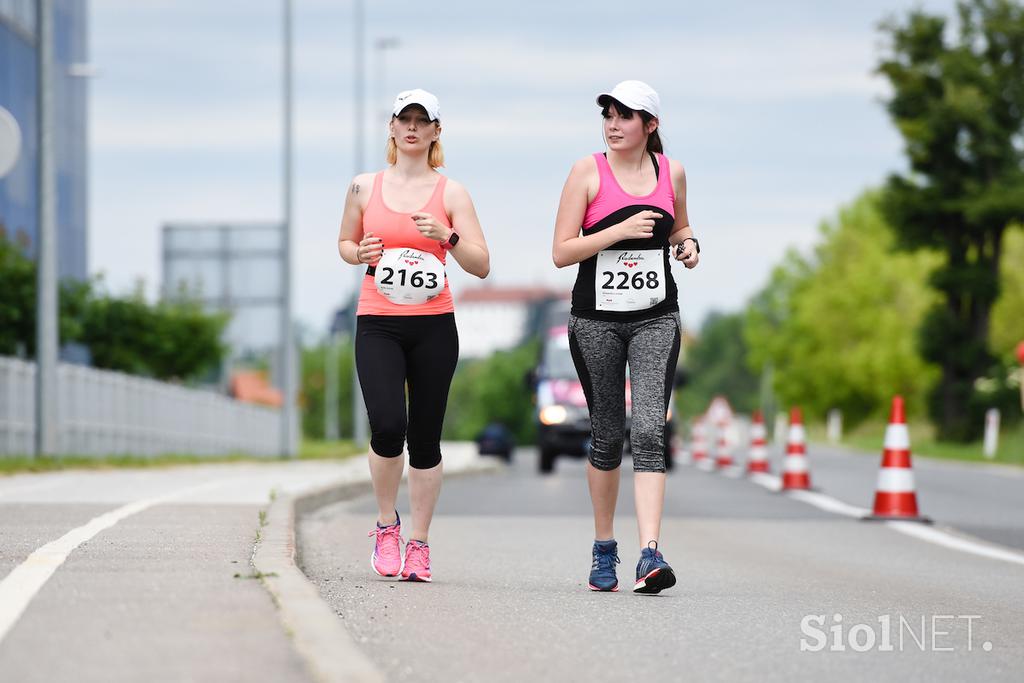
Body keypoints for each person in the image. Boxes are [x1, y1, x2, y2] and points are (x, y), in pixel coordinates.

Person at [551, 80, 699, 594]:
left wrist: (689, 244)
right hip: (596, 319)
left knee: (652, 431)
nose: (613, 125)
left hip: (657, 315)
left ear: (650, 126)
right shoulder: (586, 171)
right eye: (608, 115)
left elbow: (678, 228)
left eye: (625, 116)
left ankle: (650, 553)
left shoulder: (671, 172)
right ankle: (604, 546)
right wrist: (617, 231)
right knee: (609, 434)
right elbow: (562, 251)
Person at [337, 89, 490, 582]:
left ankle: (419, 544)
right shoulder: (364, 186)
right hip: (377, 321)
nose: (412, 127)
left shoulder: (451, 194)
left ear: (435, 132)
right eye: (404, 118)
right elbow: (344, 241)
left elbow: (481, 265)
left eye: (422, 121)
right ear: (392, 126)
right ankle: (386, 525)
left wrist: (447, 236)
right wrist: (357, 253)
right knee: (386, 425)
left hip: (433, 325)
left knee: (425, 438)